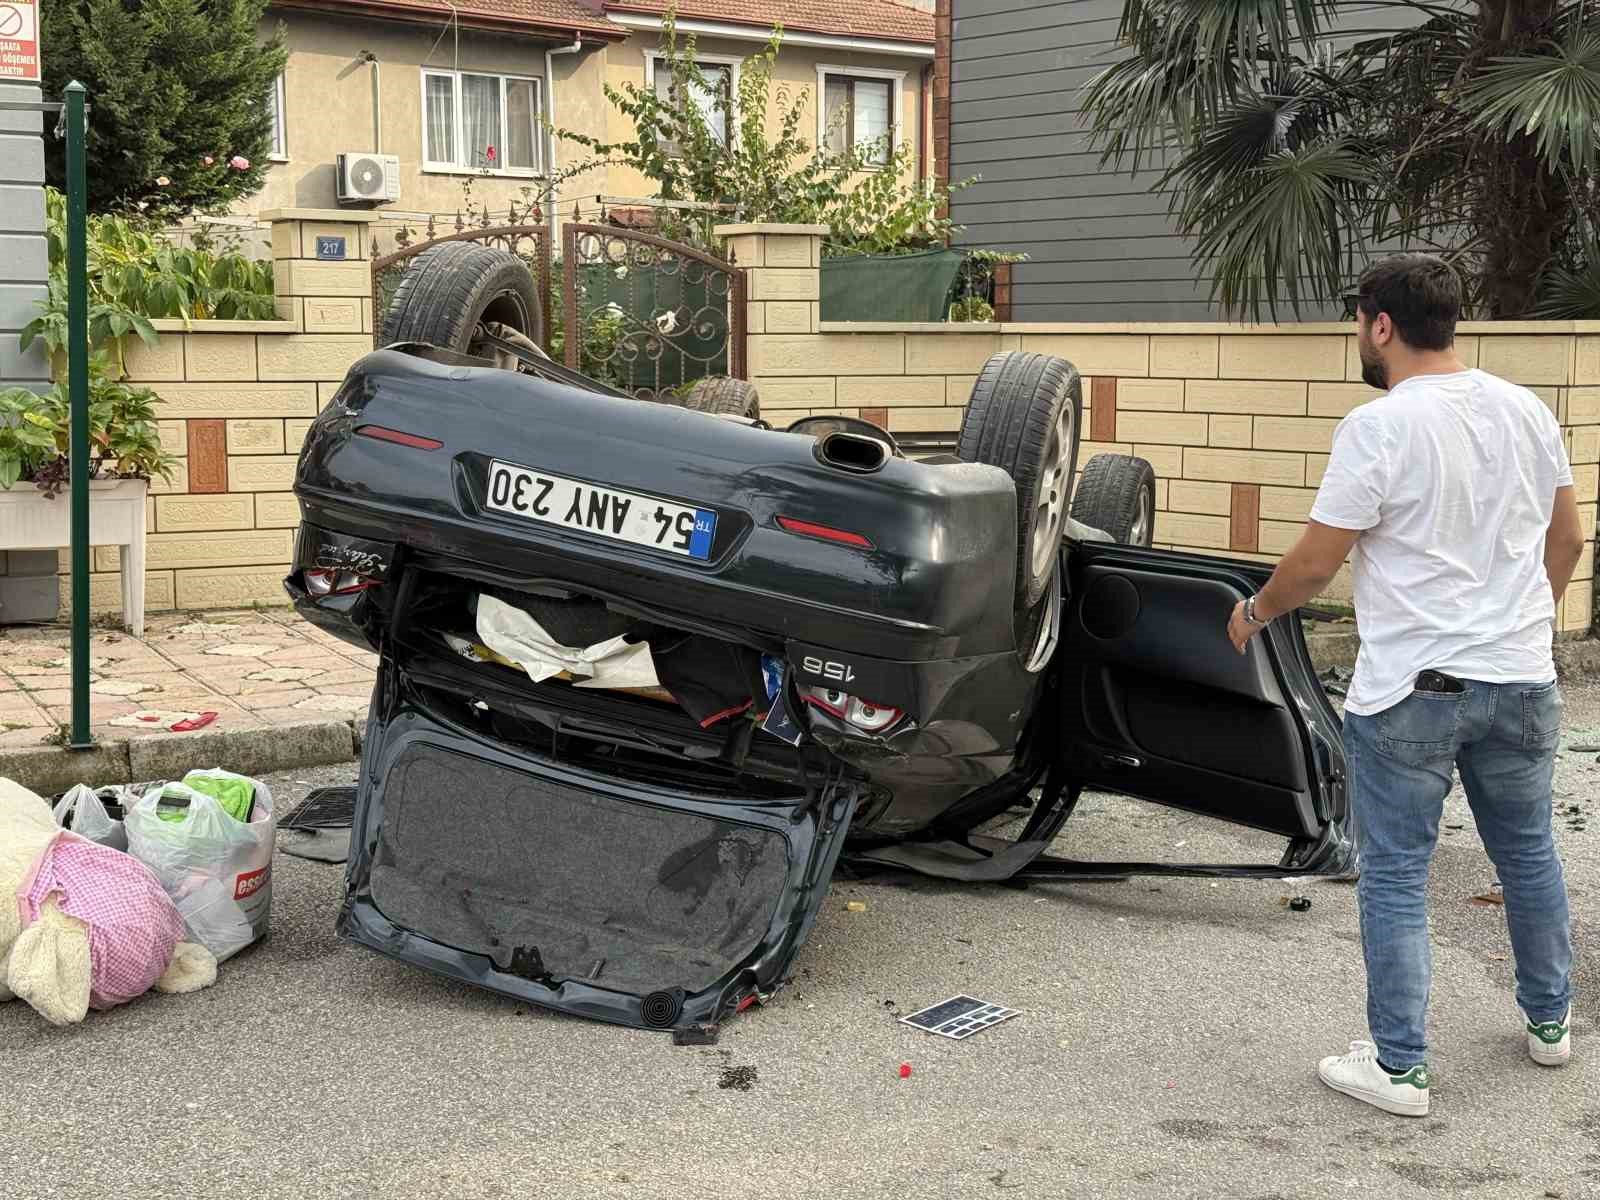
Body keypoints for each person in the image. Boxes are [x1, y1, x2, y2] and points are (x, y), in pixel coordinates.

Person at [1225, 253, 1586, 1117]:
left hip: (1413, 692)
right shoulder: (1527, 410)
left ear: (1380, 324)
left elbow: (1317, 563)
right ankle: (1550, 1024)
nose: (1359, 336)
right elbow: (1569, 543)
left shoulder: (1379, 426)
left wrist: (1255, 613)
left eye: (1358, 322)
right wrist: (1521, 629)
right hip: (1521, 678)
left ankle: (1400, 1068)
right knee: (1528, 853)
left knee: (1394, 875)